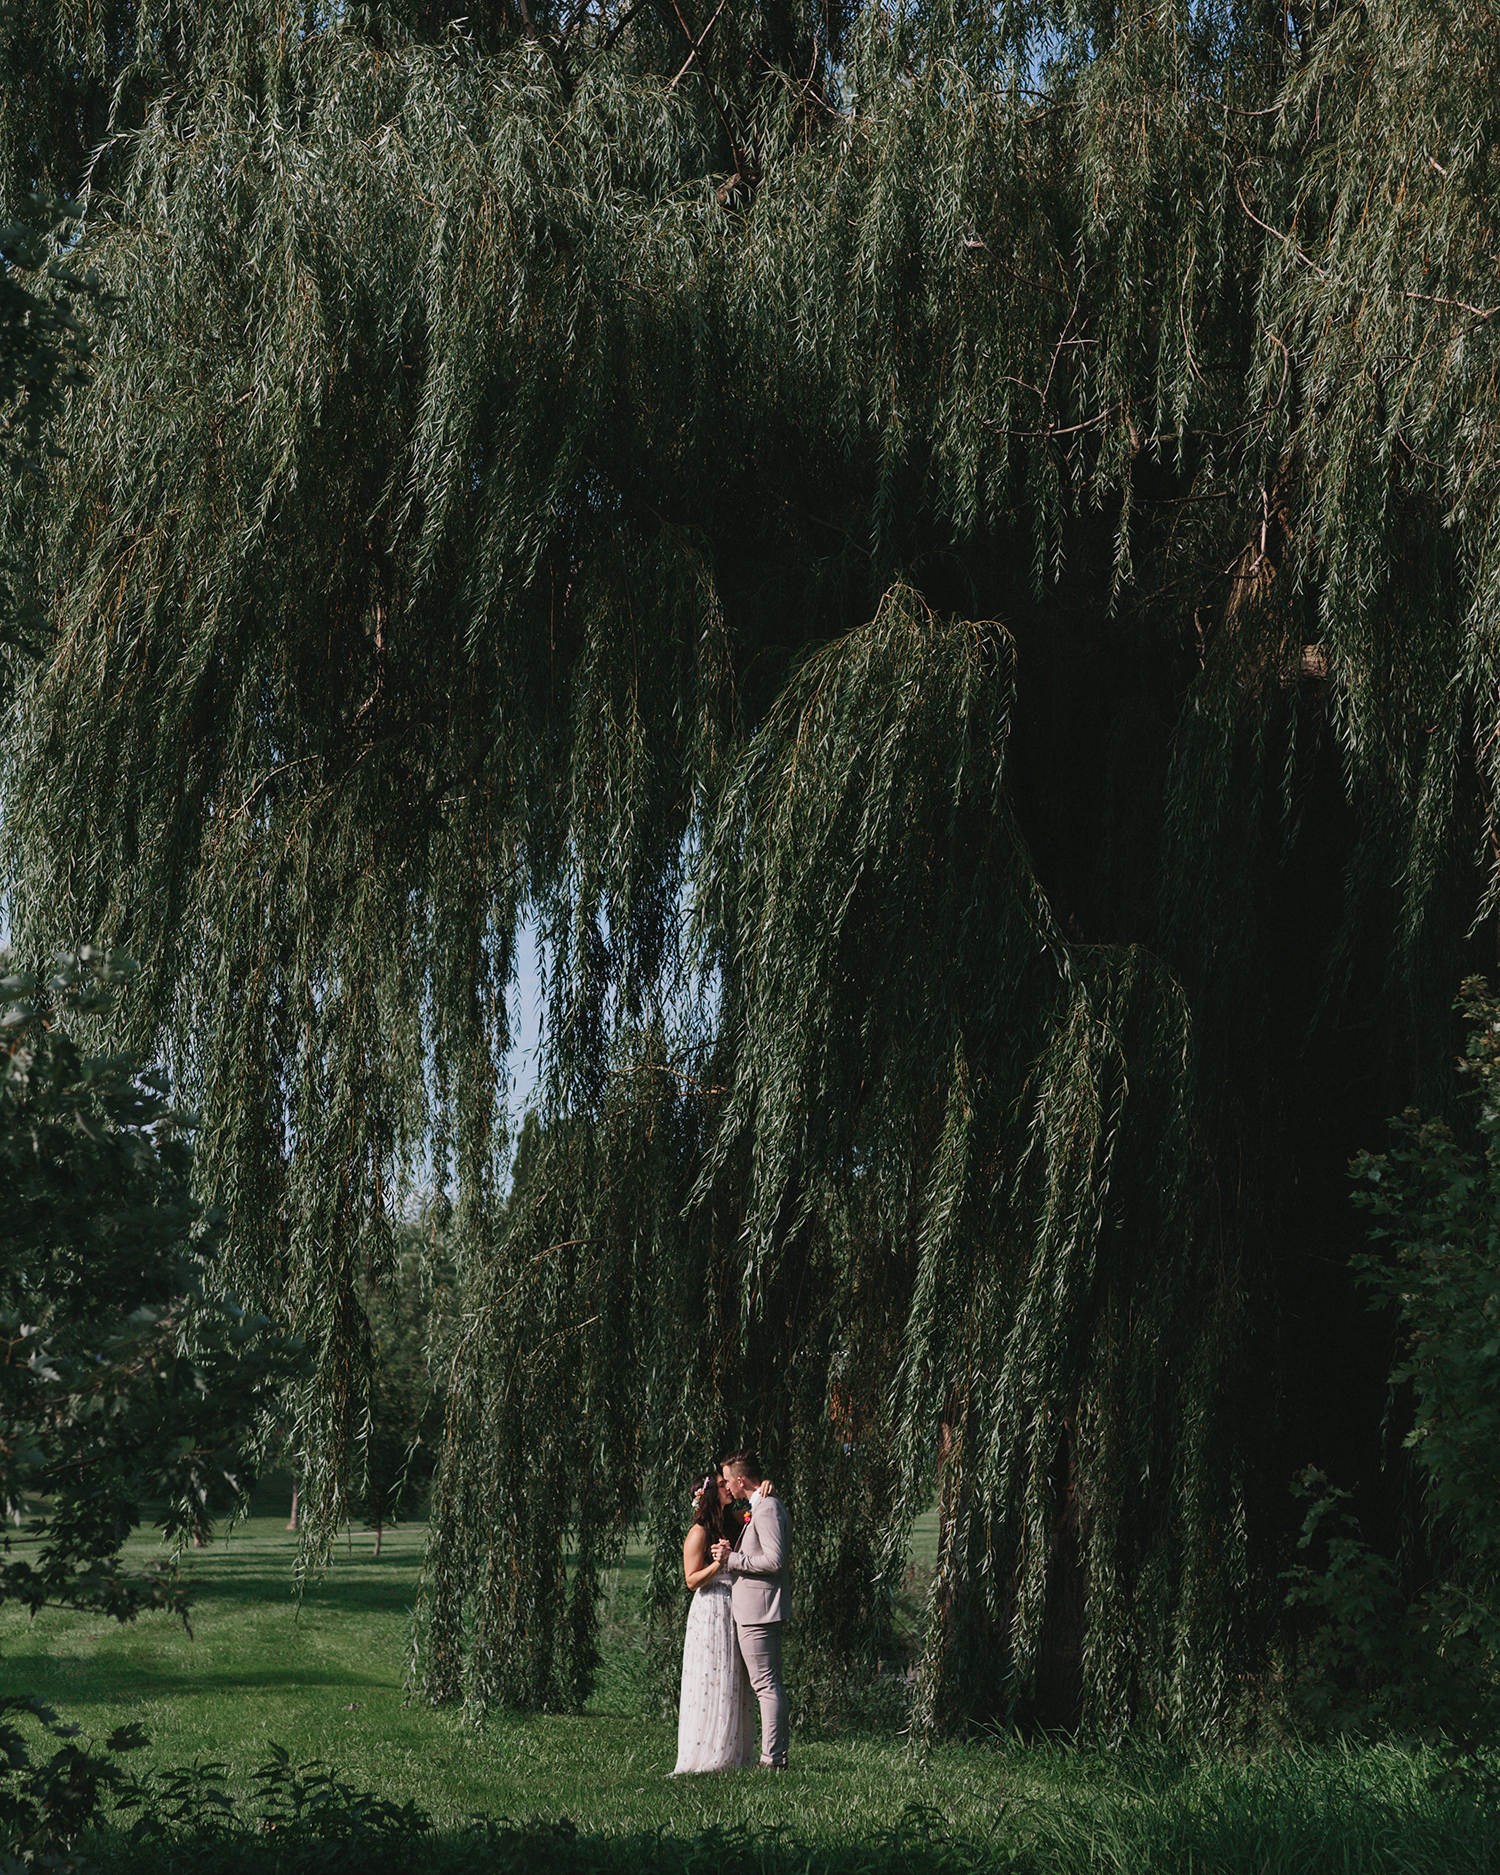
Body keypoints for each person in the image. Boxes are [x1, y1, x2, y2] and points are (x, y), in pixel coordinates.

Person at [670, 1465, 758, 1774]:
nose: (728, 1488)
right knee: (712, 1675)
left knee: (733, 1676)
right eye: (722, 1485)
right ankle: (708, 1752)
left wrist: (764, 1488)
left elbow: (755, 1510)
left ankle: (734, 1750)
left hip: (734, 1606)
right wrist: (718, 1563)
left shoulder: (731, 1522)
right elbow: (692, 1580)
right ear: (709, 1492)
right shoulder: (699, 1532)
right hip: (711, 1608)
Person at [715, 1447, 791, 1770]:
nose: (727, 1487)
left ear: (741, 1480)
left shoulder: (766, 1509)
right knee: (767, 1684)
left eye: (729, 1481)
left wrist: (733, 1561)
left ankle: (772, 1759)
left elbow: (775, 1560)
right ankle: (773, 1756)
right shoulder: (759, 1505)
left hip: (760, 1611)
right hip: (756, 1609)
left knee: (766, 1685)